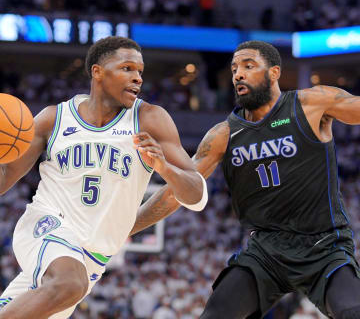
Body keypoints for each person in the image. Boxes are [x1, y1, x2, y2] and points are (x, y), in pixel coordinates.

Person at [131, 40, 360, 319]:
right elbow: (175, 192)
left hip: (324, 246)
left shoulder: (311, 103)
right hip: (266, 252)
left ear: (274, 72)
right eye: (234, 68)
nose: (238, 73)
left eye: (248, 66)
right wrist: (128, 227)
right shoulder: (223, 135)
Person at [0, 36, 208, 319]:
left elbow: (197, 194)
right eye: (127, 68)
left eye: (140, 72)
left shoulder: (149, 118)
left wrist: (165, 168)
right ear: (97, 72)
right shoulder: (54, 119)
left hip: (93, 258)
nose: (137, 78)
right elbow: (5, 177)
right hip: (46, 226)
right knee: (70, 283)